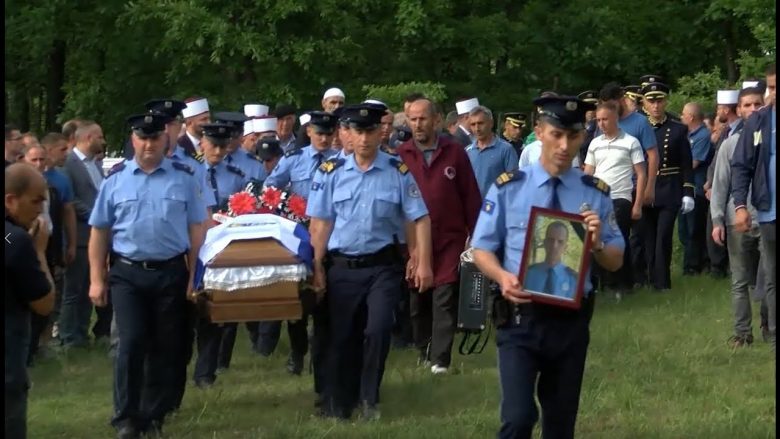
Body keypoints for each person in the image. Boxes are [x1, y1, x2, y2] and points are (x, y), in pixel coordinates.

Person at [471, 95, 624, 439]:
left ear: (582, 137)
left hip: (570, 322)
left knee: (559, 423)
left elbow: (616, 259)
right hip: (520, 317)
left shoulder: (595, 193)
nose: (564, 145)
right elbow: (481, 248)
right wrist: (501, 276)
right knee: (518, 416)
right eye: (556, 134)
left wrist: (597, 243)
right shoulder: (509, 187)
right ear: (539, 132)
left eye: (572, 136)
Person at [307, 103, 433, 420]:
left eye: (370, 131)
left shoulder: (397, 171)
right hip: (342, 268)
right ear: (348, 133)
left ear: (381, 132)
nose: (364, 139)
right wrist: (316, 266)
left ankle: (369, 398)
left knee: (377, 330)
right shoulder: (331, 174)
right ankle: (340, 400)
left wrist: (422, 259)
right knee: (342, 336)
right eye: (358, 131)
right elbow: (320, 224)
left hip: (382, 267)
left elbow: (419, 217)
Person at [87, 111, 206, 438]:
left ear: (165, 140)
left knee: (165, 346)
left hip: (170, 272)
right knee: (131, 342)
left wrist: (195, 276)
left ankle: (153, 416)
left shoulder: (184, 178)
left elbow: (197, 231)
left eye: (155, 137)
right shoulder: (116, 180)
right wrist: (96, 279)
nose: (149, 143)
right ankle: (126, 417)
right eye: (143, 137)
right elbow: (99, 232)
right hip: (128, 274)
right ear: (133, 139)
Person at [250, 112, 338, 379]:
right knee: (298, 299)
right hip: (300, 238)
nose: (323, 139)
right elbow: (269, 190)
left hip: (332, 237)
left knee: (328, 300)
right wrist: (285, 209)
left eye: (328, 134)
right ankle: (298, 352)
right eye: (318, 133)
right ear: (309, 132)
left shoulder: (341, 161)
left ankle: (322, 352)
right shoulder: (294, 160)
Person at [398, 97, 482, 374]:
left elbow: (470, 196)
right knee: (418, 298)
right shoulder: (401, 155)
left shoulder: (455, 152)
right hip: (414, 241)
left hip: (450, 238)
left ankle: (440, 360)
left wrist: (477, 234)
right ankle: (424, 348)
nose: (418, 124)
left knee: (444, 295)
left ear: (435, 120)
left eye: (423, 118)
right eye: (413, 119)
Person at [710, 86, 766, 347]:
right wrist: (717, 221)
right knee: (740, 280)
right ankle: (743, 333)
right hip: (738, 220)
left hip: (768, 218)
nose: (753, 109)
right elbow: (720, 185)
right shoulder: (730, 145)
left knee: (770, 279)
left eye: (757, 104)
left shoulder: (772, 138)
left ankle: (770, 327)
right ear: (739, 110)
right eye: (747, 105)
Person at [5, 164, 56, 439]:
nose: (40, 209)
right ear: (11, 200)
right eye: (36, 201)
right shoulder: (17, 241)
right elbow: (44, 303)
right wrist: (39, 251)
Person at [731, 62, 776, 350]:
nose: (775, 92)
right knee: (772, 277)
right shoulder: (758, 122)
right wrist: (740, 206)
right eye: (772, 87)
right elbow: (741, 165)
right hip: (769, 211)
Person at [583, 102, 646, 296]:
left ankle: (622, 284)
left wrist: (637, 204)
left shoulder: (630, 142)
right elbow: (588, 173)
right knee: (595, 240)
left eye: (605, 119)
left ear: (615, 119)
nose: (601, 124)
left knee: (616, 239)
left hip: (620, 197)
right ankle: (602, 284)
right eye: (599, 120)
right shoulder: (595, 143)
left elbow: (641, 174)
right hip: (597, 198)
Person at [60, 121, 109, 348]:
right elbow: (70, 201)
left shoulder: (96, 165)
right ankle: (68, 336)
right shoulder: (68, 164)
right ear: (89, 137)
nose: (103, 140)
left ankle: (82, 333)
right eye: (100, 136)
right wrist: (96, 215)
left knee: (89, 286)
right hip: (79, 235)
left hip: (97, 236)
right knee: (74, 289)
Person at [642, 82, 695, 291]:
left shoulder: (678, 129)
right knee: (647, 237)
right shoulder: (639, 127)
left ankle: (663, 282)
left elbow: (686, 164)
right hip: (646, 188)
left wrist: (688, 191)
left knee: (663, 236)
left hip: (670, 188)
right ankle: (649, 278)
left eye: (660, 100)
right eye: (651, 101)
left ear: (666, 101)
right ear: (644, 103)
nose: (656, 105)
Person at [679, 102, 712, 275]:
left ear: (691, 117)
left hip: (697, 188)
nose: (681, 116)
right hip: (684, 187)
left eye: (683, 114)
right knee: (683, 230)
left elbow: (693, 163)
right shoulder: (686, 135)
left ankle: (693, 266)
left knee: (694, 229)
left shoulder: (703, 136)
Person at [465, 105, 519, 197]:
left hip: (496, 206)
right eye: (473, 124)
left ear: (491, 123)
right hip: (473, 207)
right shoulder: (467, 151)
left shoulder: (506, 149)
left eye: (480, 123)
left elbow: (513, 180)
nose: (477, 129)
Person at [523, 222, 579, 298]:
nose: (554, 246)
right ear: (544, 242)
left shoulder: (573, 279)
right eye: (551, 240)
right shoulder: (528, 273)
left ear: (565, 247)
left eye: (560, 242)